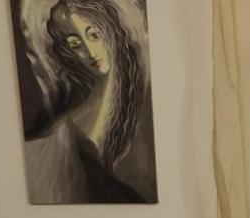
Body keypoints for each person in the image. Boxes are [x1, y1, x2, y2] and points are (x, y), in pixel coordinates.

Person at [19, 0, 158, 203]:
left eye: (94, 35)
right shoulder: (66, 133)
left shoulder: (136, 113)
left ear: (112, 32)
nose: (90, 51)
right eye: (75, 43)